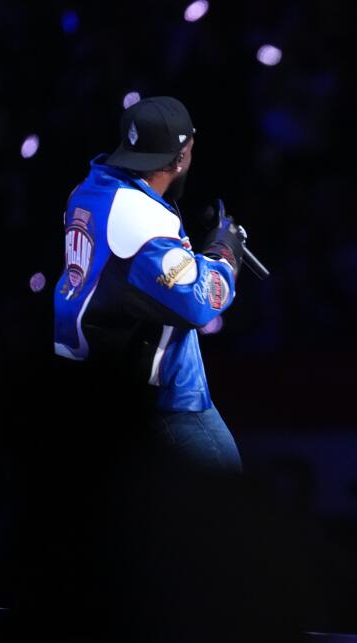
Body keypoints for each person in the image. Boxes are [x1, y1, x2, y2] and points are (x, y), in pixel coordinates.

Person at [53, 95, 250, 472]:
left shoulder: (89, 190)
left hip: (95, 387)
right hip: (162, 404)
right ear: (181, 156)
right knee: (229, 513)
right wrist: (225, 252)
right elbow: (198, 304)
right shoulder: (139, 217)